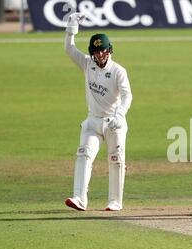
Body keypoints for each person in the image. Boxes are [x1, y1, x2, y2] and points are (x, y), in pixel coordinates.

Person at [64, 13, 133, 212]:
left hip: (114, 123)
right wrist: (71, 28)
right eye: (96, 52)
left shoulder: (119, 70)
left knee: (116, 160)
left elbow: (128, 95)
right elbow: (69, 49)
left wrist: (120, 116)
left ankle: (115, 201)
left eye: (103, 51)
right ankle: (79, 198)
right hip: (93, 121)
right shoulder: (87, 64)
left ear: (109, 50)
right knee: (84, 155)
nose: (100, 55)